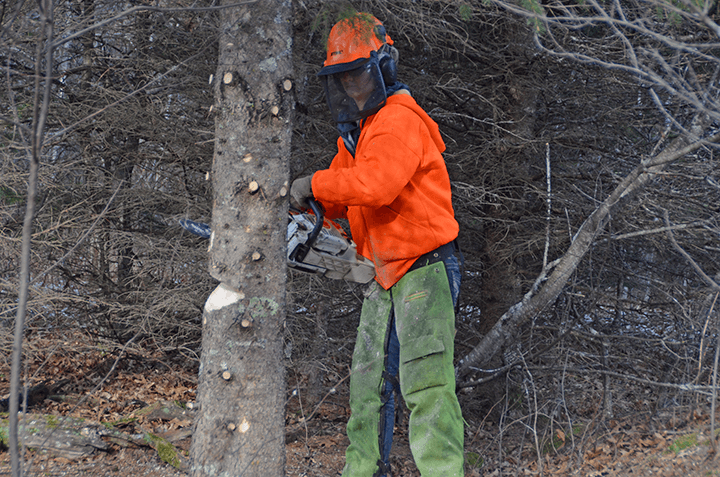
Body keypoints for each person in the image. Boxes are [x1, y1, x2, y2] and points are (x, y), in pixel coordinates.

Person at [290, 13, 465, 477]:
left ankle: (443, 471)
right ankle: (363, 471)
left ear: (383, 67)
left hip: (423, 270)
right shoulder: (358, 135)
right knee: (367, 387)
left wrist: (314, 183)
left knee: (427, 387)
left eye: (359, 74)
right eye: (343, 78)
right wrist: (309, 211)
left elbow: (376, 185)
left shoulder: (399, 120)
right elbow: (344, 196)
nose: (352, 86)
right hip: (382, 274)